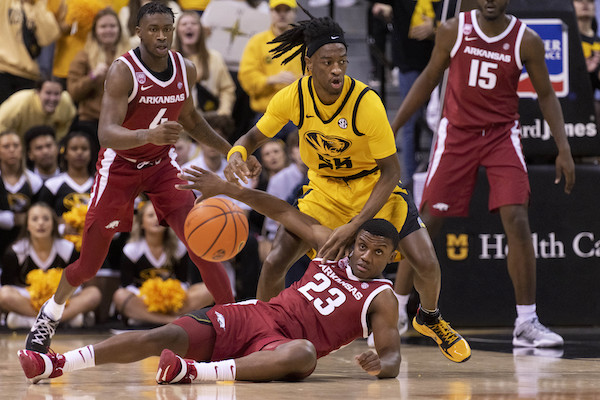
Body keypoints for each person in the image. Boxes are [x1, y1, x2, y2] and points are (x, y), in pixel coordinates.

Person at [225, 15, 470, 362]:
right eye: (327, 62)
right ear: (309, 64)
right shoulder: (292, 97)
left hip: (373, 186)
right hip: (324, 191)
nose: (337, 70)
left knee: (427, 262)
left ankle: (428, 317)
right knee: (276, 261)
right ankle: (265, 335)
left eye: (342, 61)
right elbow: (252, 137)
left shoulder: (365, 102)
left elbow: (391, 172)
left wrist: (354, 226)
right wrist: (237, 152)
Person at [18, 166, 402, 384]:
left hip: (281, 349)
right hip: (257, 315)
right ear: (354, 241)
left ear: (391, 257)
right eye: (363, 246)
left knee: (302, 353)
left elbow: (393, 357)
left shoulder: (380, 296)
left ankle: (193, 372)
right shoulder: (332, 247)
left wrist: (378, 364)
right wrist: (227, 189)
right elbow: (283, 211)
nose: (366, 256)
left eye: (378, 252)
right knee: (165, 335)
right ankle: (56, 363)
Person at [24, 2, 251, 355]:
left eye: (167, 29)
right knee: (89, 265)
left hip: (162, 166)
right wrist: (149, 135)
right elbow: (107, 134)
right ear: (139, 32)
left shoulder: (184, 67)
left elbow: (190, 118)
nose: (162, 35)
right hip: (120, 167)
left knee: (202, 244)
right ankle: (50, 314)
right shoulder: (122, 71)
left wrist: (230, 150)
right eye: (154, 29)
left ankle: (236, 327)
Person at [390, 0, 575, 348]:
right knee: (428, 220)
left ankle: (526, 322)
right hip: (457, 133)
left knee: (517, 218)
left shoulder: (526, 39)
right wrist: (394, 125)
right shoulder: (453, 30)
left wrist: (563, 148)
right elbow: (429, 79)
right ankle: (396, 308)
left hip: (502, 135)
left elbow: (548, 95)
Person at [0, 202, 101, 330]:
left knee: (94, 293)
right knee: (3, 294)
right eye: (35, 219)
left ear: (54, 224)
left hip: (60, 300)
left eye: (46, 219)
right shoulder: (15, 251)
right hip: (29, 300)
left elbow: (78, 284)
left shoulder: (68, 249)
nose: (40, 223)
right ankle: (61, 321)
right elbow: (7, 285)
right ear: (27, 225)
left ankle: (35, 322)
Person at [113, 200, 213, 326]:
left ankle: (149, 318)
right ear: (142, 223)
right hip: (144, 301)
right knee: (120, 296)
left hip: (174, 303)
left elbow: (183, 282)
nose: (156, 219)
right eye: (150, 216)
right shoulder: (132, 249)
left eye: (159, 216)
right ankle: (173, 320)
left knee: (207, 289)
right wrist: (149, 297)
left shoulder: (178, 248)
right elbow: (127, 285)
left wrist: (169, 298)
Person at [67, 7, 131, 158]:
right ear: (95, 31)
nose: (108, 30)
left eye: (112, 26)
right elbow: (73, 92)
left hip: (123, 123)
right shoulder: (84, 56)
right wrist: (92, 77)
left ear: (119, 29)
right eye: (103, 26)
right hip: (91, 122)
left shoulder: (131, 57)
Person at [237, 0, 303, 139]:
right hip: (266, 113)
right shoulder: (257, 42)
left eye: (287, 10)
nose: (282, 15)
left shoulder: (305, 42)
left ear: (295, 13)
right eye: (277, 10)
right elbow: (246, 77)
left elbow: (315, 74)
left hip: (298, 113)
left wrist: (302, 83)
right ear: (271, 13)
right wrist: (270, 80)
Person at [173, 11, 236, 116]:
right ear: (177, 31)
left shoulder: (214, 57)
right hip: (179, 122)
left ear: (201, 30)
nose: (189, 27)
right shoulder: (169, 59)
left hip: (209, 119)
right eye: (184, 24)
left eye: (194, 24)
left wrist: (223, 114)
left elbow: (227, 89)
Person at [0, 0, 60, 103]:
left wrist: (37, 5)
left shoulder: (39, 3)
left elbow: (48, 37)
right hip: (3, 70)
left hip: (29, 75)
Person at [0, 131, 44, 258]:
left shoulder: (34, 181)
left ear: (23, 150)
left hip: (24, 241)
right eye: (6, 146)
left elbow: (42, 211)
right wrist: (12, 219)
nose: (12, 150)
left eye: (16, 145)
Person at [37, 131, 95, 219]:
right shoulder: (52, 185)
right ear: (65, 154)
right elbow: (41, 216)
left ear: (91, 153)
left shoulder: (100, 184)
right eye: (74, 148)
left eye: (84, 148)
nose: (79, 152)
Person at [0, 78, 76, 142]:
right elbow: (2, 124)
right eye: (48, 93)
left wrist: (55, 141)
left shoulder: (66, 102)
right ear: (38, 92)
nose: (52, 99)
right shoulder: (20, 102)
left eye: (56, 94)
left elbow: (66, 123)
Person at [573, 0, 600, 118]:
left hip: (592, 104)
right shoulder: (565, 41)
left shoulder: (598, 44)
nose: (585, 4)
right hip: (568, 102)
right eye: (579, 1)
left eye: (589, 1)